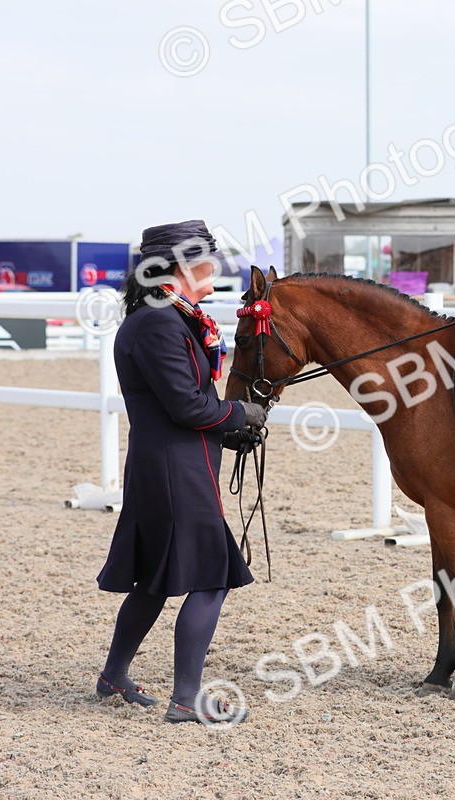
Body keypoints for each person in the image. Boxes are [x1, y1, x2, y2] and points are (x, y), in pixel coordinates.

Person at [95, 220, 267, 725]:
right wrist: (241, 415)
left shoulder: (173, 318)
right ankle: (186, 698)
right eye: (207, 259)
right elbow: (187, 407)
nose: (216, 267)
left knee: (152, 580)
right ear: (178, 267)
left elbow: (191, 404)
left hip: (172, 461)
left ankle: (113, 676)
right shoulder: (158, 324)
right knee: (212, 577)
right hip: (176, 467)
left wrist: (227, 427)